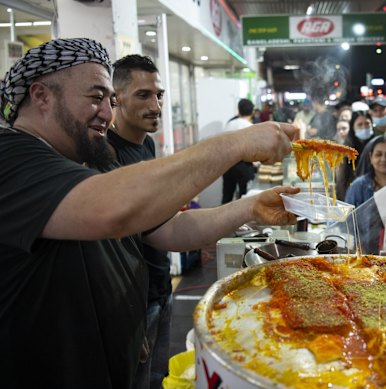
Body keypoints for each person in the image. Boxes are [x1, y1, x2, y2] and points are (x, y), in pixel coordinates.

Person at [0, 38, 299, 389]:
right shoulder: (10, 157)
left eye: (110, 101)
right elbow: (111, 210)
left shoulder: (82, 160)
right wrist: (235, 143)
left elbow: (169, 229)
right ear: (41, 96)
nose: (108, 113)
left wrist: (250, 207)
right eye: (95, 98)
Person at [107, 54, 171, 388]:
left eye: (158, 95)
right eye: (143, 95)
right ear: (115, 99)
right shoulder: (106, 155)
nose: (156, 106)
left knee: (159, 378)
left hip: (161, 289)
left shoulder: (145, 145)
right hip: (135, 305)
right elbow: (109, 250)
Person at [345, 136, 386, 207]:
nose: (383, 159)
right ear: (371, 157)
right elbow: (347, 216)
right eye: (378, 155)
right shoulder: (358, 187)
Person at [222, 98, 257, 204]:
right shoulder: (251, 127)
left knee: (227, 196)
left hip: (227, 164)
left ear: (238, 110)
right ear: (252, 112)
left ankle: (223, 220)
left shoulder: (229, 124)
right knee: (244, 197)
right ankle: (242, 220)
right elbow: (254, 150)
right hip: (244, 165)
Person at [336, 111, 376, 201]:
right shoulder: (347, 150)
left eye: (367, 124)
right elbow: (342, 180)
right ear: (353, 128)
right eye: (360, 125)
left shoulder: (377, 145)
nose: (364, 127)